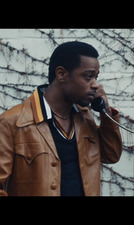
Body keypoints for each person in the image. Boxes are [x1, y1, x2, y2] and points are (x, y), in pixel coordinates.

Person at [0, 41, 123, 196]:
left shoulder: (84, 118)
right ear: (61, 74)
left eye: (96, 78)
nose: (96, 86)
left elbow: (111, 155)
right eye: (88, 77)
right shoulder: (12, 122)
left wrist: (106, 114)